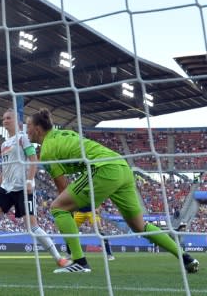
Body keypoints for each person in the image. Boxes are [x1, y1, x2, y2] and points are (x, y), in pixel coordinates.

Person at [26, 108, 199, 273]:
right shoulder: (64, 134)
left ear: (38, 128)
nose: (26, 131)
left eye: (28, 127)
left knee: (58, 207)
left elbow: (62, 188)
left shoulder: (47, 150)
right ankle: (186, 258)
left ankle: (79, 262)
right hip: (122, 167)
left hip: (104, 168)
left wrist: (70, 212)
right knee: (139, 226)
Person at [0, 109, 70, 267]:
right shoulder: (4, 144)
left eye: (8, 118)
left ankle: (59, 258)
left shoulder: (23, 138)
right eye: (3, 118)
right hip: (6, 188)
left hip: (22, 188)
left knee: (32, 227)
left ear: (17, 122)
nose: (5, 120)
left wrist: (29, 180)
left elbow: (33, 159)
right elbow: (6, 169)